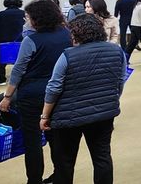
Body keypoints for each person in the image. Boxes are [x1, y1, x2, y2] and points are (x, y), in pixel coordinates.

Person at [40, 14, 127, 184]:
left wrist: (45, 115)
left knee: (64, 161)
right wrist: (111, 100)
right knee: (102, 157)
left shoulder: (68, 55)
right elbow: (120, 80)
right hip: (104, 113)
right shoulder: (116, 50)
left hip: (68, 116)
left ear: (77, 34)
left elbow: (54, 88)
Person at [0, 0, 71, 184]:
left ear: (37, 18)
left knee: (32, 141)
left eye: (28, 17)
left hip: (32, 96)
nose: (26, 20)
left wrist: (7, 97)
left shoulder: (31, 40)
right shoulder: (68, 34)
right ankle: (61, 177)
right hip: (60, 94)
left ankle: (34, 180)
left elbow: (18, 70)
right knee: (58, 140)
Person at [0, 0, 25, 85]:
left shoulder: (1, 14)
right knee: (20, 60)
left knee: (1, 61)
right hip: (20, 40)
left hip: (3, 40)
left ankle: (1, 80)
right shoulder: (24, 13)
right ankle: (20, 79)